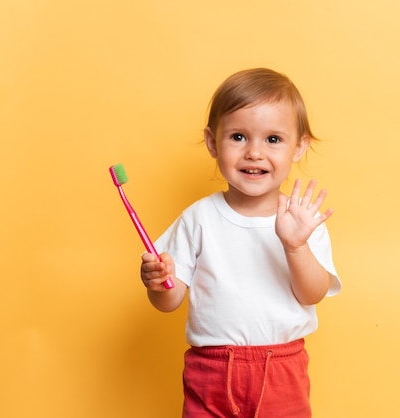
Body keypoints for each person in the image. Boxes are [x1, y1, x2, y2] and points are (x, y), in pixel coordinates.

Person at [140, 67, 341, 418]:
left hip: (282, 369)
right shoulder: (198, 218)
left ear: (299, 147)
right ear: (213, 143)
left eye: (273, 140)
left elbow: (313, 294)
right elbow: (169, 301)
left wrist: (296, 246)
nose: (254, 153)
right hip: (211, 371)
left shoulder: (302, 220)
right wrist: (158, 283)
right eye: (238, 137)